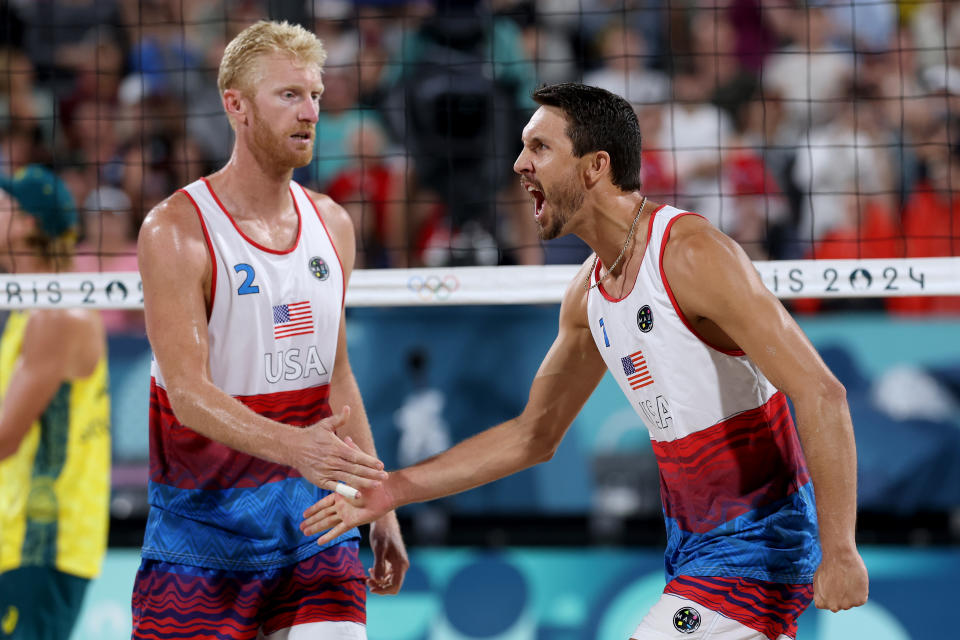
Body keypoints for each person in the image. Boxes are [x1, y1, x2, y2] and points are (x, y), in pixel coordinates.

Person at [304, 83, 870, 640]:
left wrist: (840, 548)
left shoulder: (691, 254)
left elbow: (823, 393)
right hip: (695, 548)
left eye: (540, 148)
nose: (520, 164)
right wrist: (391, 490)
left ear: (596, 165)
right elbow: (532, 436)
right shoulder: (588, 295)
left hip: (755, 550)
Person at [132, 20, 408, 640]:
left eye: (315, 95)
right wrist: (296, 448)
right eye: (289, 95)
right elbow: (187, 394)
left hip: (314, 525)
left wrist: (377, 496)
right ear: (237, 106)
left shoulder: (333, 223)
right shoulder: (176, 229)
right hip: (202, 530)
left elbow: (336, 376)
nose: (309, 111)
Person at [0, 166, 110, 640]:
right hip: (20, 538)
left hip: (41, 543)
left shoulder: (57, 316)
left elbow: (3, 438)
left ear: (25, 223)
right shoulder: (31, 310)